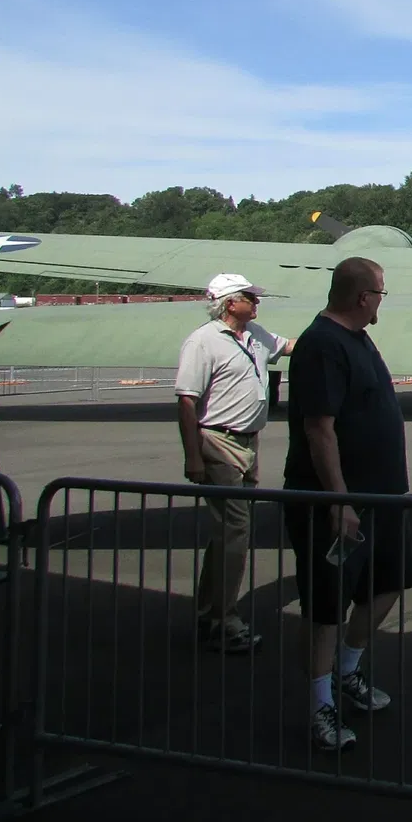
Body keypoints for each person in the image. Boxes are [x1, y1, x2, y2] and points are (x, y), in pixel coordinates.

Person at [282, 256, 412, 751]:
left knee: (387, 586)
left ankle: (347, 671)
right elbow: (319, 428)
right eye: (380, 293)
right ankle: (320, 706)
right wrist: (338, 501)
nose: (382, 300)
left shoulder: (358, 339)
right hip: (337, 503)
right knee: (325, 608)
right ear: (363, 298)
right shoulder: (321, 345)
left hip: (381, 497)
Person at [175, 273, 296, 653]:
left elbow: (289, 346)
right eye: (250, 298)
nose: (256, 303)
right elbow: (186, 401)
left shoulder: (256, 335)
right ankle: (222, 621)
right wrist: (193, 455)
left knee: (227, 535)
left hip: (247, 443)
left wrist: (330, 328)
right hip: (217, 442)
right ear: (230, 303)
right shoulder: (203, 341)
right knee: (235, 531)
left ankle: (210, 613)